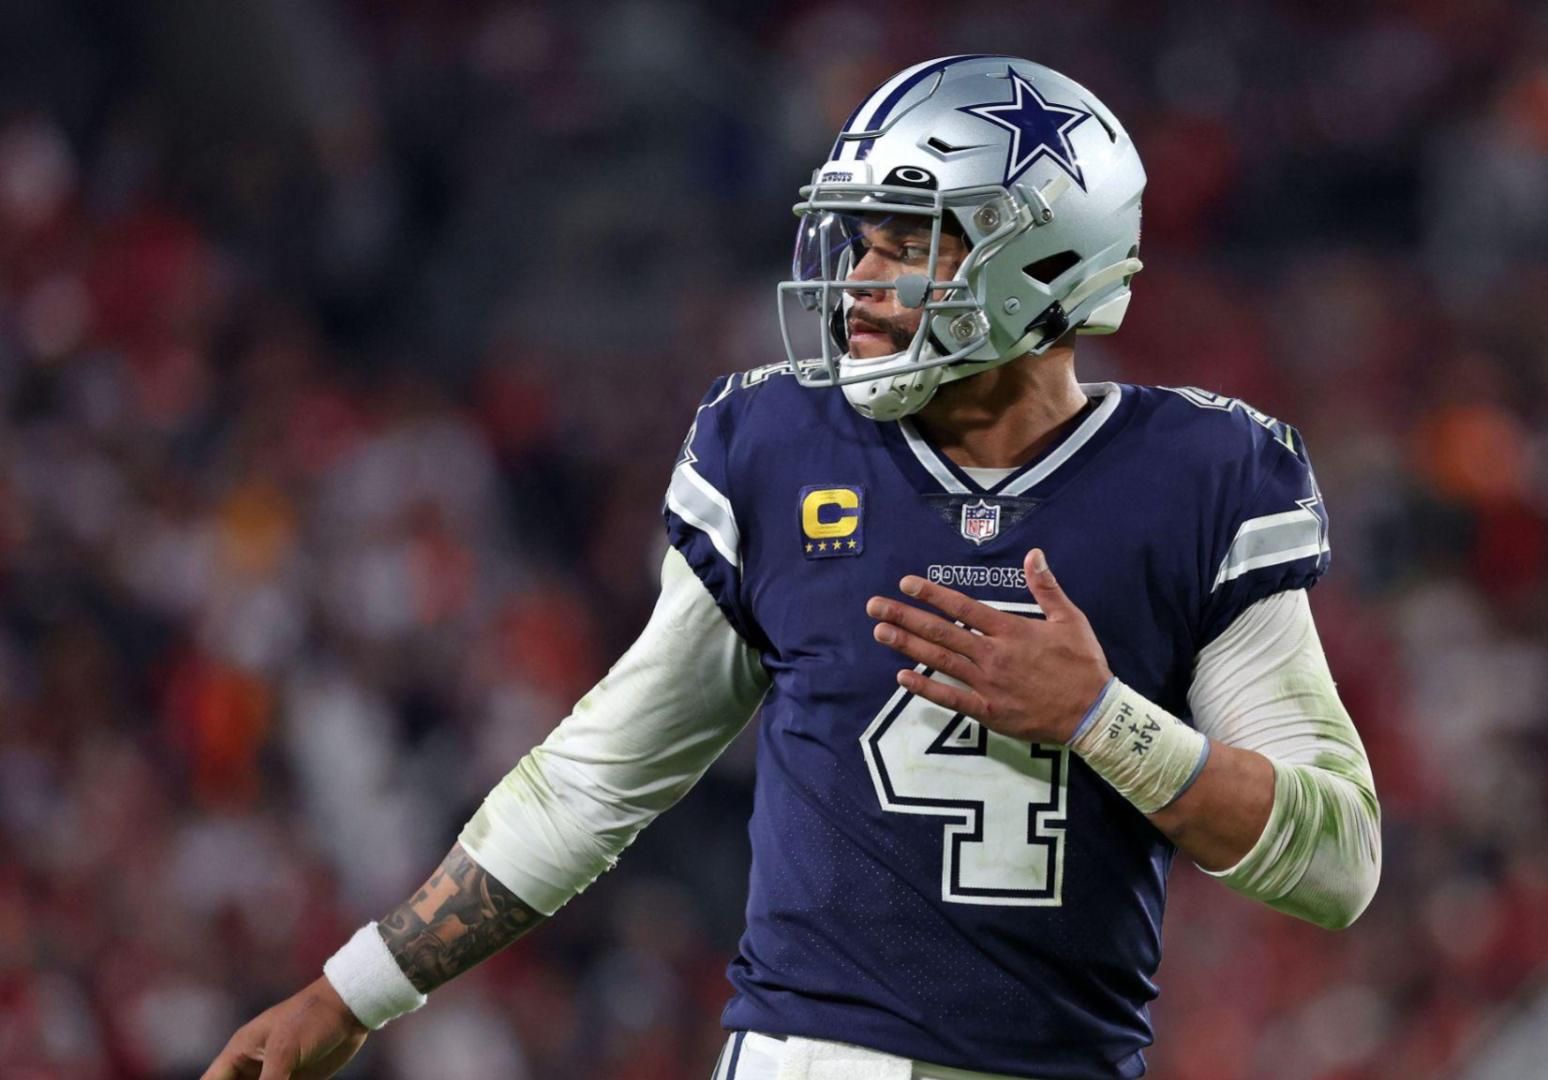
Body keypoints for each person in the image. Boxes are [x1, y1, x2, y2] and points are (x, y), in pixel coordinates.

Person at [201, 56, 1381, 1080]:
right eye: (859, 237)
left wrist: (1100, 717)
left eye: (911, 241)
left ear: (1049, 256)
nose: (862, 281)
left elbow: (1337, 861)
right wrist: (351, 990)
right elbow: (598, 776)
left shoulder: (1204, 477)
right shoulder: (776, 447)